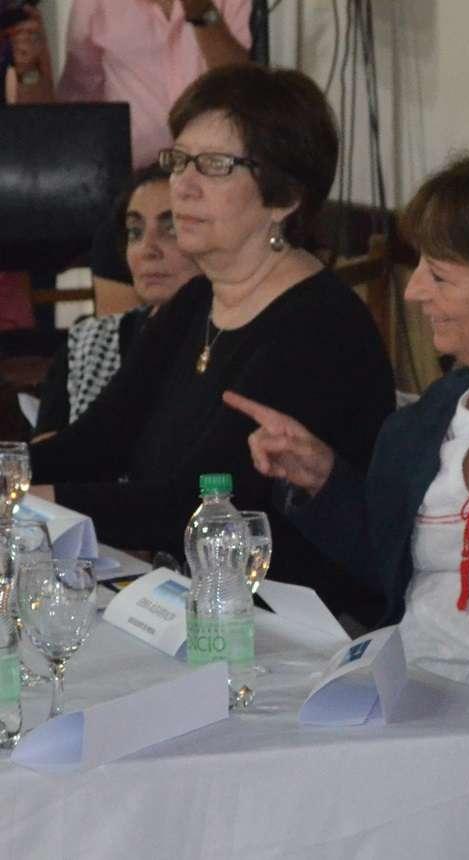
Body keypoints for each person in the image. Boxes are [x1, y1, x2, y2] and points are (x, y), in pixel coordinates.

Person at [224, 144, 469, 702]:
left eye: (439, 276)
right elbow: (392, 572)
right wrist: (324, 479)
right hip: (408, 687)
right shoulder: (430, 419)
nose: (415, 290)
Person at [27, 64, 394, 626]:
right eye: (180, 161)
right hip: (188, 603)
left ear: (284, 197)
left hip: (298, 629)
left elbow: (198, 503)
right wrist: (11, 475)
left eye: (216, 166)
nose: (184, 185)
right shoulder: (196, 300)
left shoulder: (319, 327)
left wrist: (31, 501)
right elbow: (98, 442)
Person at [34, 163, 202, 436]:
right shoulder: (88, 342)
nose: (147, 249)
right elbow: (45, 450)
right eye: (135, 232)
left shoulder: (226, 342)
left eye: (171, 229)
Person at [7, 0, 250, 169]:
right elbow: (75, 111)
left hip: (217, 166)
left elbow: (245, 86)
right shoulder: (95, 4)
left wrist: (202, 12)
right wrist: (30, 70)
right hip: (132, 181)